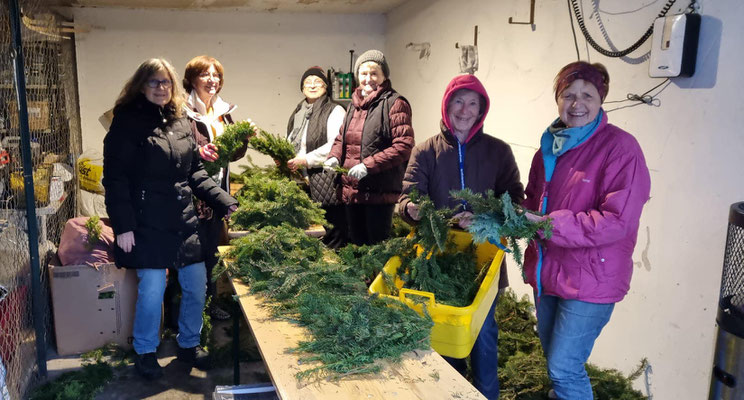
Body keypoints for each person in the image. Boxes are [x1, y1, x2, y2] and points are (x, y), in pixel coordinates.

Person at [103, 58, 238, 380]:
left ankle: (189, 344)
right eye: (154, 82)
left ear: (174, 87)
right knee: (151, 289)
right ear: (141, 85)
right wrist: (123, 226)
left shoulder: (180, 122)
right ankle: (146, 351)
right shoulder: (126, 123)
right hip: (146, 221)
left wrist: (226, 202)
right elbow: (116, 179)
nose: (161, 88)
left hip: (182, 219)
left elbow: (194, 172)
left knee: (196, 285)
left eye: (166, 82)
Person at [523, 61, 651, 399]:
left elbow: (617, 220)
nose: (576, 104)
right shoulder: (548, 148)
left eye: (587, 96)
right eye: (568, 95)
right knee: (555, 359)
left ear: (601, 100)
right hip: (549, 270)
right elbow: (534, 200)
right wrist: (503, 214)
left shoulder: (620, 148)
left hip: (593, 276)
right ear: (557, 99)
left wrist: (549, 225)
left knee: (564, 367)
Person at [397, 74, 523, 400]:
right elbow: (407, 198)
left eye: (473, 103)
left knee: (483, 337)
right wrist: (411, 209)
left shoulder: (499, 152)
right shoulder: (425, 152)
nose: (464, 110)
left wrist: (485, 217)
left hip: (483, 260)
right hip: (439, 263)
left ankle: (485, 395)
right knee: (444, 337)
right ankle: (450, 392)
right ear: (446, 104)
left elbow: (514, 201)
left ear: (482, 110)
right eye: (458, 101)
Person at [181, 55, 249, 321]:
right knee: (192, 255)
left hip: (216, 190)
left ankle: (207, 307)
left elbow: (232, 155)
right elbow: (179, 150)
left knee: (210, 250)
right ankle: (187, 313)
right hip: (192, 193)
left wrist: (242, 138)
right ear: (192, 80)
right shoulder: (183, 112)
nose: (212, 80)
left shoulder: (222, 112)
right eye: (205, 74)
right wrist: (199, 151)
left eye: (216, 75)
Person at [324, 50, 414, 245]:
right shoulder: (353, 105)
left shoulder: (395, 103)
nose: (368, 78)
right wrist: (333, 157)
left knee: (375, 249)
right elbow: (341, 139)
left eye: (374, 73)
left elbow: (403, 145)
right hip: (352, 192)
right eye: (363, 73)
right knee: (356, 247)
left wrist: (368, 166)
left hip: (378, 193)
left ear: (384, 76)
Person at [286, 67, 347, 248]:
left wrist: (305, 160)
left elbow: (336, 144)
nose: (312, 85)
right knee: (307, 238)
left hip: (326, 182)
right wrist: (284, 158)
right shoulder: (297, 113)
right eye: (308, 82)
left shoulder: (334, 110)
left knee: (331, 234)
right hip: (300, 183)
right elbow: (290, 142)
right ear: (302, 88)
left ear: (326, 86)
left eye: (318, 81)